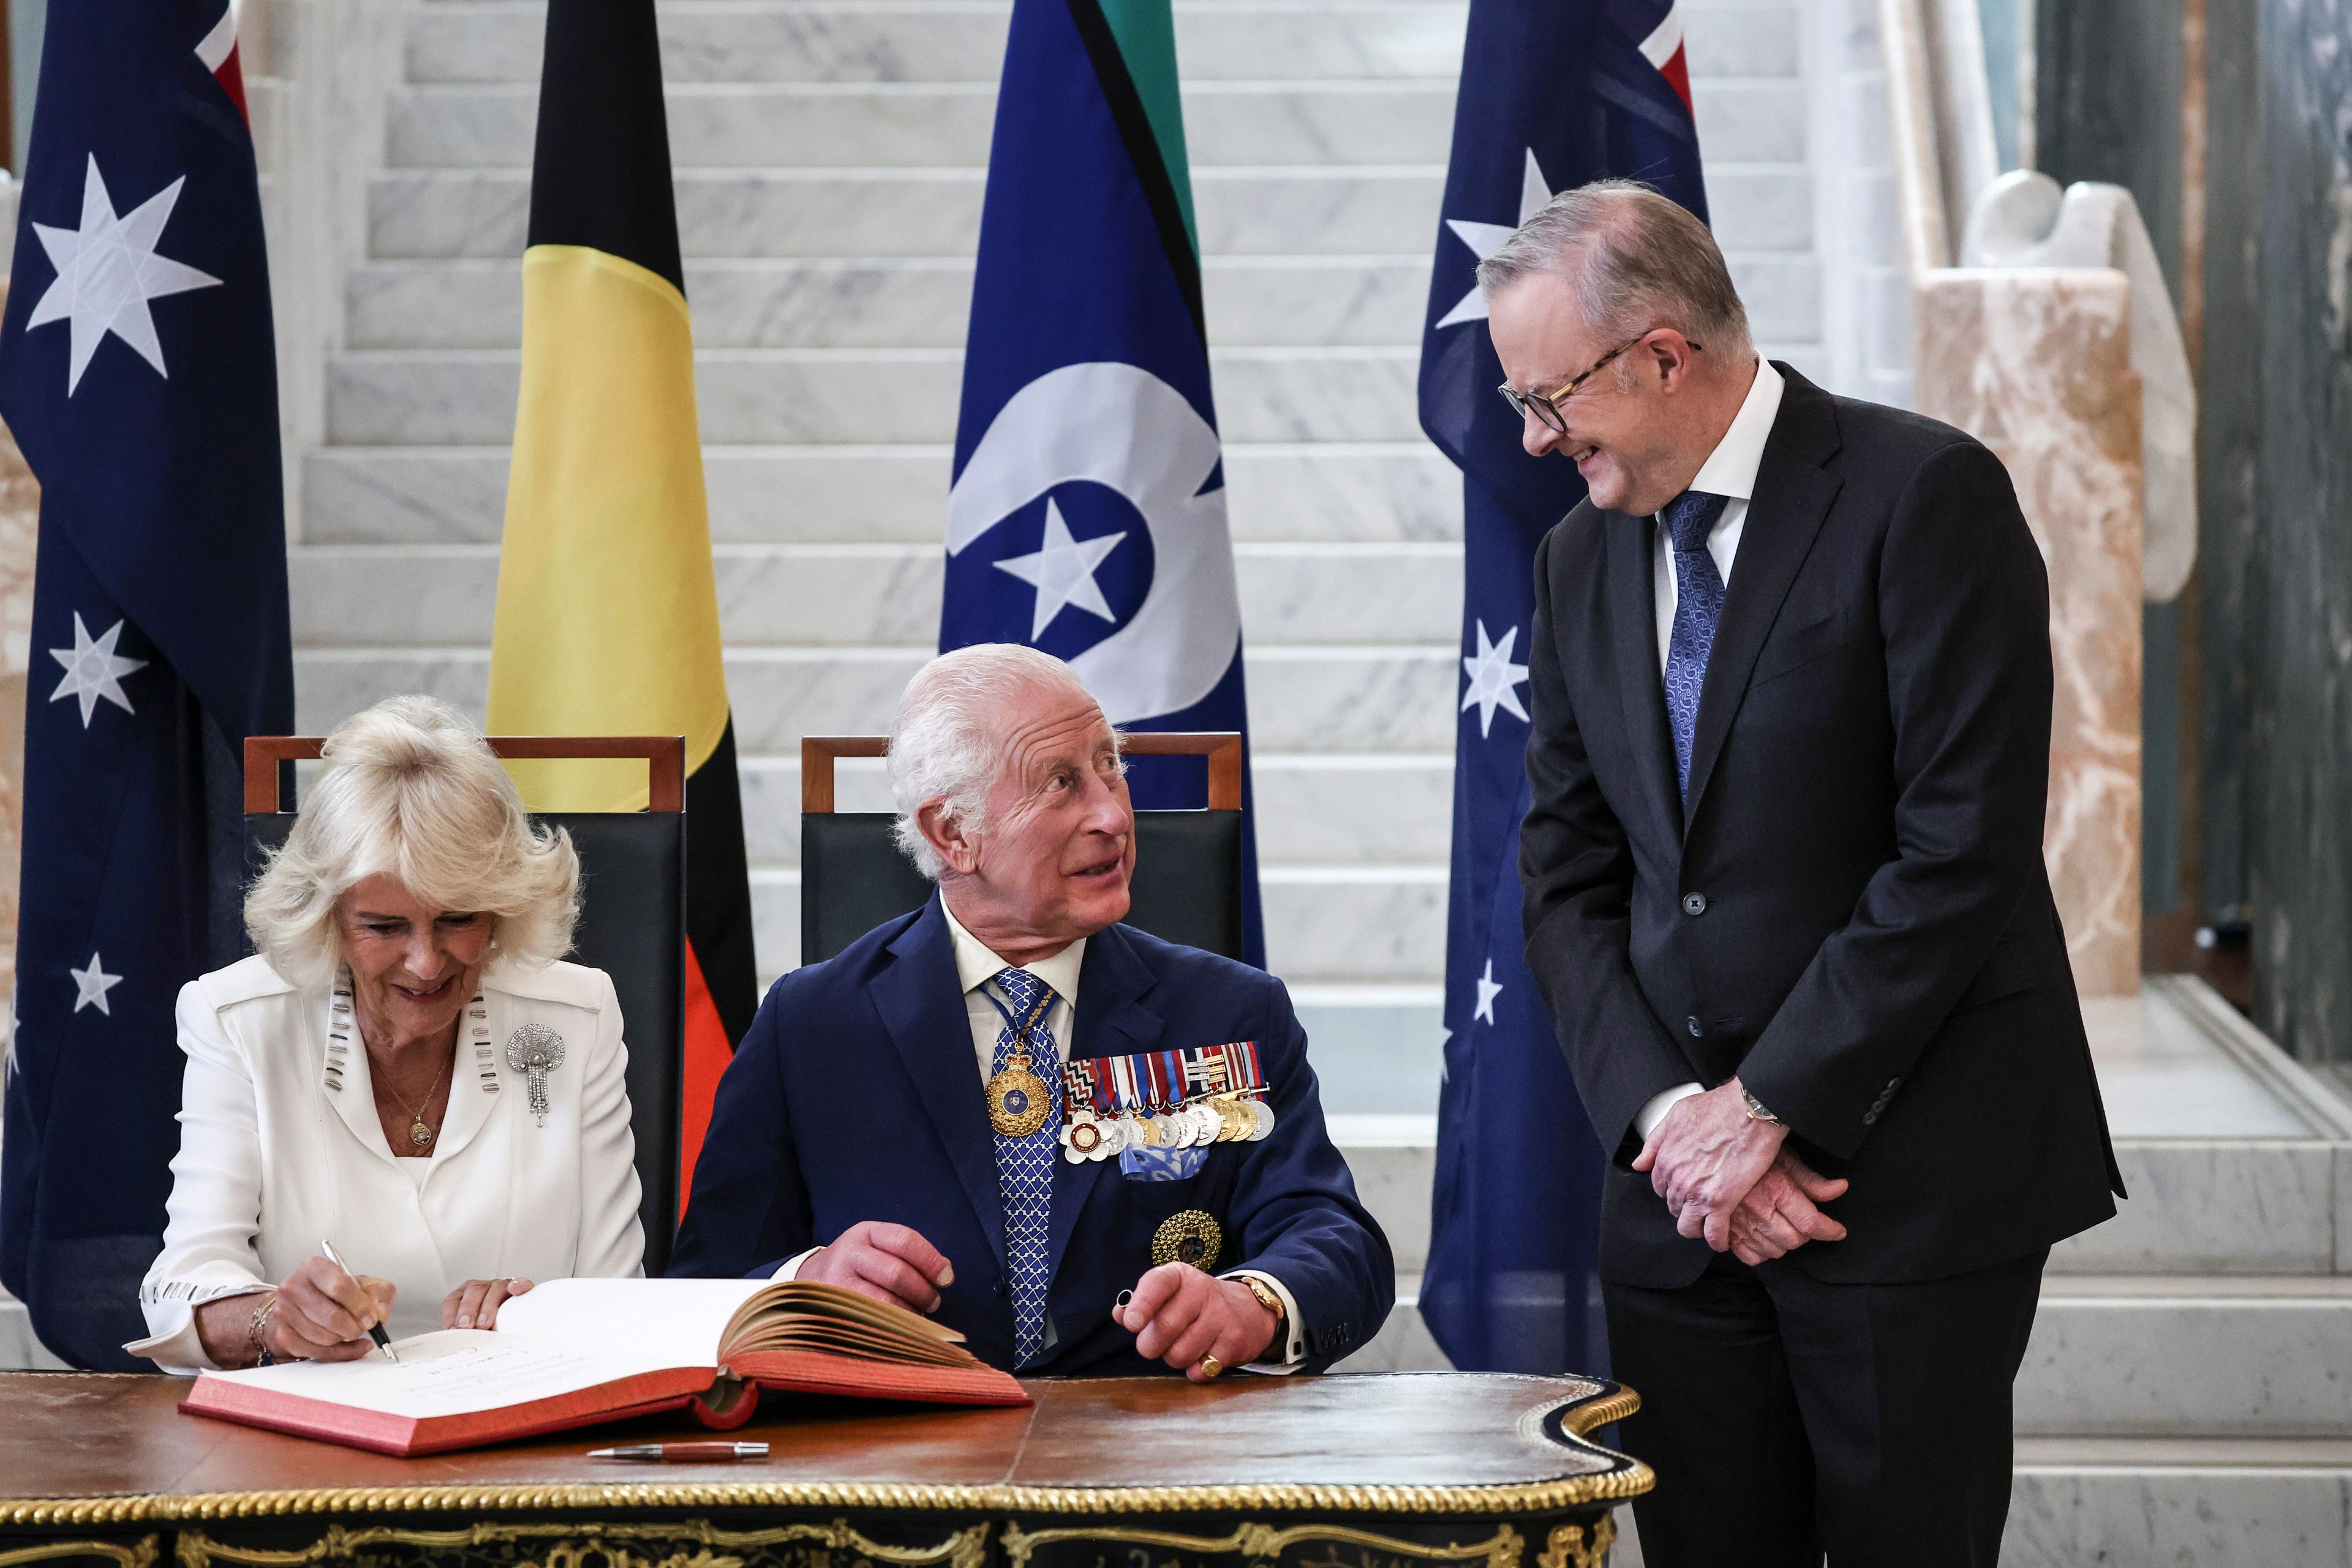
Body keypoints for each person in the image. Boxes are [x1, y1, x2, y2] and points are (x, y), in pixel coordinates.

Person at [1488, 183, 2124, 1567]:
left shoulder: (1922, 490)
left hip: (1903, 1181)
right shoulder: (1574, 557)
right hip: (1680, 1207)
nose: (1539, 440)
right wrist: (1678, 1122)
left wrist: (1770, 1105)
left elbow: (1957, 849)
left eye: (1551, 397)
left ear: (1661, 354)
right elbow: (1563, 875)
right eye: (1522, 405)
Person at [673, 644, 1392, 1377]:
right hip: (896, 1463)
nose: (1113, 814)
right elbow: (702, 1286)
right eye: (1061, 783)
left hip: (1153, 1458)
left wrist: (1254, 1304)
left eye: (1110, 765)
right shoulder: (811, 1025)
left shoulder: (1232, 1012)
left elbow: (1336, 1240)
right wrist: (807, 1285)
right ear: (953, 833)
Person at [127, 696, 644, 1371]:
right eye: (384, 927)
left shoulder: (579, 1015)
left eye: (458, 918)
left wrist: (537, 1310)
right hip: (310, 1452)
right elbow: (178, 1287)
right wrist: (272, 1321)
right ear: (328, 917)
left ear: (501, 910)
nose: (426, 962)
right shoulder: (237, 1018)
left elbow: (620, 1300)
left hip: (524, 1439)